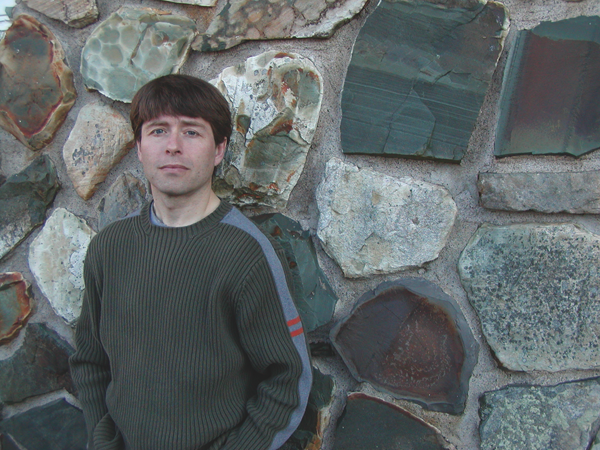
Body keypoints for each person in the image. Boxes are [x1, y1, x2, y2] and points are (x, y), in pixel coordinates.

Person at [69, 74, 312, 450]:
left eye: (192, 132)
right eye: (159, 131)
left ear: (218, 150)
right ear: (139, 146)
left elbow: (288, 378)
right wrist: (102, 439)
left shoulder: (245, 253)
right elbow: (90, 361)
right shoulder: (109, 248)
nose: (173, 146)